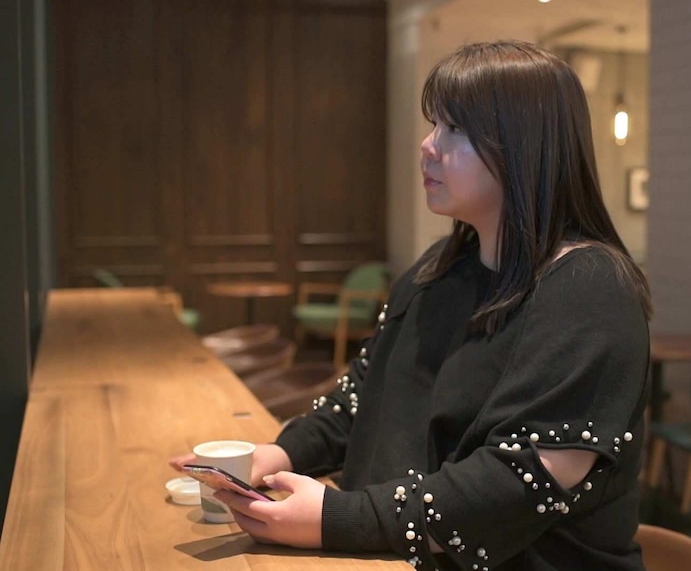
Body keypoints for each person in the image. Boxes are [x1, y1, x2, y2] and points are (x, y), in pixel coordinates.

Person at [171, 40, 652, 570]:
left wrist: (339, 517)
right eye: (435, 125)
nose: (428, 146)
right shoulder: (438, 270)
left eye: (456, 129)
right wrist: (274, 456)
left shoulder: (589, 287)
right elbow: (360, 400)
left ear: (524, 146)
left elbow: (514, 484)